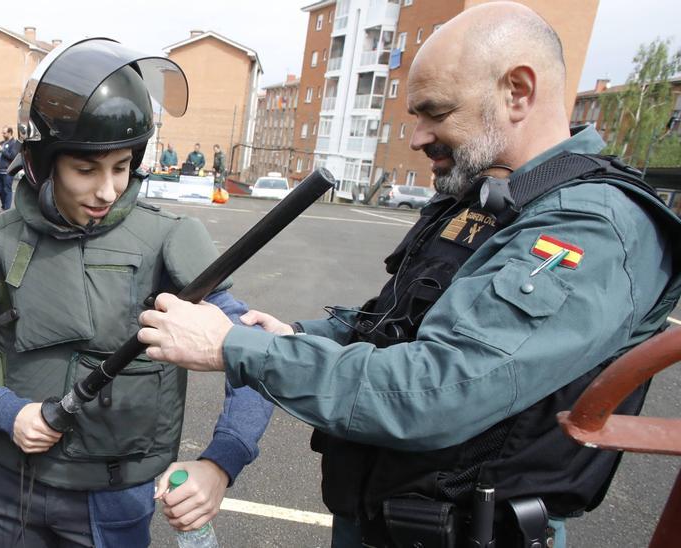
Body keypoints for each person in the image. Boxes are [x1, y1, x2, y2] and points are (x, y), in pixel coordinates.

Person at [136, 4, 681, 547]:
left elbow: (438, 390)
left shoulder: (591, 229)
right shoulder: (489, 201)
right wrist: (299, 337)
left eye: (435, 112)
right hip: (387, 520)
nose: (418, 137)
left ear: (517, 91)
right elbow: (399, 323)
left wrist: (234, 347)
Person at [0, 38, 274, 547]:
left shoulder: (169, 242)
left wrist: (221, 462)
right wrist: (10, 412)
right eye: (86, 169)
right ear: (42, 162)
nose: (108, 190)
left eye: (121, 166)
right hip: (10, 492)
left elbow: (258, 362)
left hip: (113, 503)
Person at [0, 125, 21, 210]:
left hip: (8, 171)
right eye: (2, 133)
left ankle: (6, 209)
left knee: (7, 190)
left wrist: (2, 150)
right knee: (0, 190)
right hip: (0, 171)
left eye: (4, 133)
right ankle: (4, 206)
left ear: (10, 133)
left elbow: (12, 156)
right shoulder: (2, 143)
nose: (2, 134)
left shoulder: (14, 143)